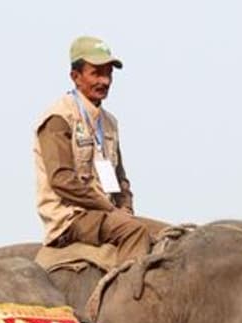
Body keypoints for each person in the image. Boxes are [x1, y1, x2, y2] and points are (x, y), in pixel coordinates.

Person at [33, 36, 166, 264]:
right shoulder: (59, 118)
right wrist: (109, 209)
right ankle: (128, 295)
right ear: (75, 77)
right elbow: (61, 180)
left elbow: (121, 180)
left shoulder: (109, 123)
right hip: (71, 218)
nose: (104, 81)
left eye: (108, 74)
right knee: (133, 231)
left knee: (170, 234)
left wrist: (126, 207)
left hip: (108, 214)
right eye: (96, 73)